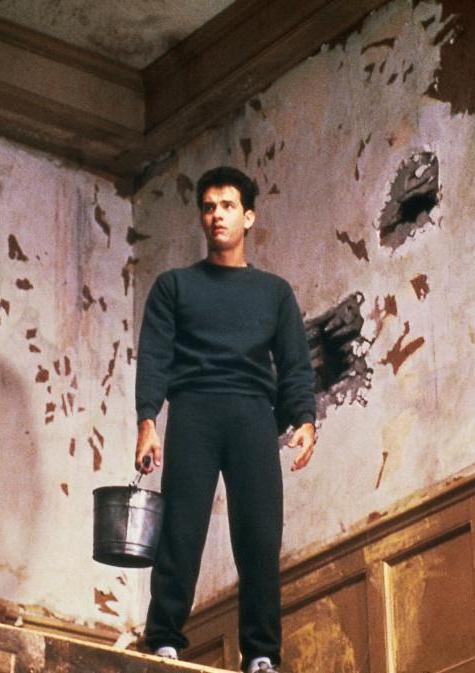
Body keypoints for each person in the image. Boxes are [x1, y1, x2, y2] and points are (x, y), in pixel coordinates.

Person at [135, 166, 317, 673]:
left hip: (253, 416)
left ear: (249, 217)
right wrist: (147, 421)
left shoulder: (274, 293)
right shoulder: (174, 286)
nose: (217, 214)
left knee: (260, 536)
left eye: (228, 206)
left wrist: (304, 419)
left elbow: (295, 363)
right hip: (193, 410)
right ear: (202, 217)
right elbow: (154, 358)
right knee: (181, 528)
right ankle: (163, 640)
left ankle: (260, 654)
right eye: (209, 207)